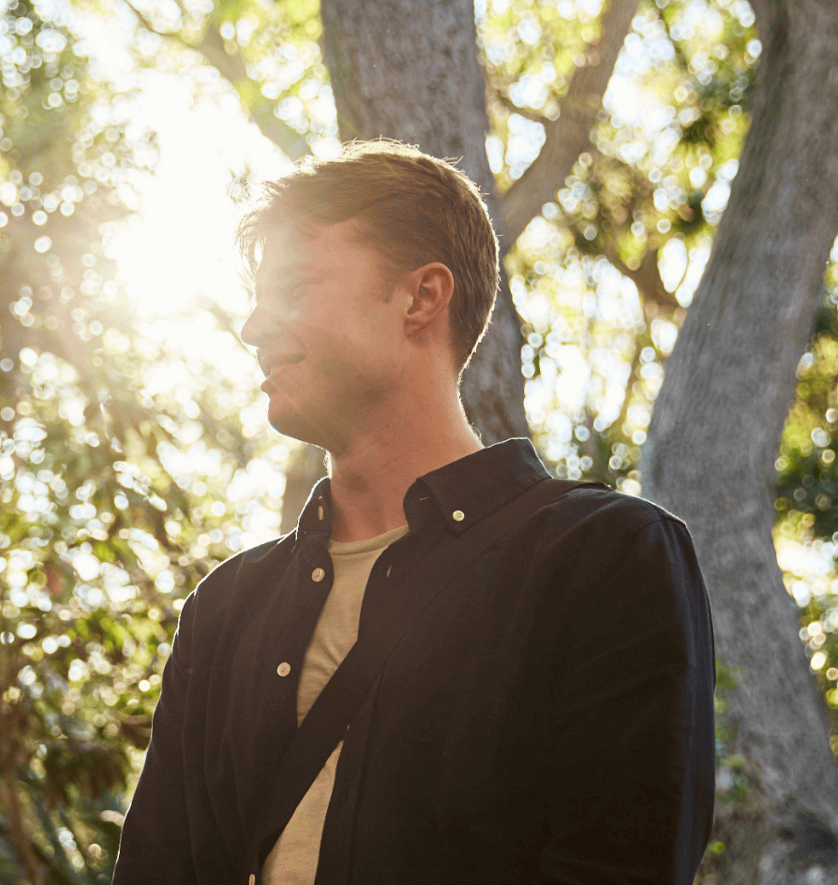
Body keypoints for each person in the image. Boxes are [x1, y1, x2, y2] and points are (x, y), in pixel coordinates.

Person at [111, 141, 716, 884]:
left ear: (422, 298)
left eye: (295, 286)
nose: (253, 327)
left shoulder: (608, 556)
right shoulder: (223, 608)